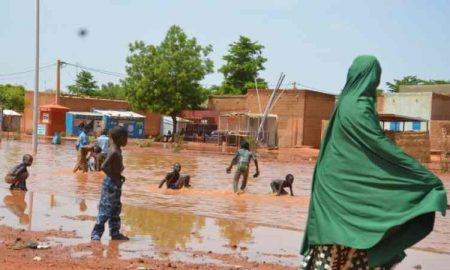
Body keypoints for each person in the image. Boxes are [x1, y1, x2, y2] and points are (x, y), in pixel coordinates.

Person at [300, 56, 447, 270]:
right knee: (350, 245)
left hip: (333, 187)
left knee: (336, 243)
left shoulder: (344, 103)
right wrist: (423, 177)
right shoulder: (359, 105)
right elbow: (378, 145)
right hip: (344, 192)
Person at [91, 126, 129, 241]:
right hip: (110, 183)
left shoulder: (118, 149)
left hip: (115, 183)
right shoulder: (113, 151)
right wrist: (115, 178)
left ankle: (115, 233)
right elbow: (104, 166)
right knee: (105, 209)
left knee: (115, 209)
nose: (127, 141)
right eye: (126, 138)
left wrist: (119, 176)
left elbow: (113, 167)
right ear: (120, 138)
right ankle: (96, 234)